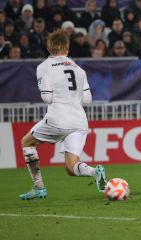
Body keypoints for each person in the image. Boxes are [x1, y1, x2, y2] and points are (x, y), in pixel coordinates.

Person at [19, 29, 107, 200]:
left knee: (26, 142)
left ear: (49, 47)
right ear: (67, 48)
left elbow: (47, 97)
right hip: (79, 121)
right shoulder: (79, 69)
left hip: (57, 119)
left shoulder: (44, 67)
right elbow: (87, 99)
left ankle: (38, 187)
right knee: (71, 167)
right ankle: (94, 172)